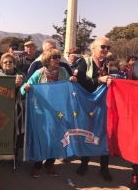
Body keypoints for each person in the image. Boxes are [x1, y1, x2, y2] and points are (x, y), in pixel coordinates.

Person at [20, 48, 77, 178]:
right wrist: (26, 88)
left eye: (58, 57)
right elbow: (23, 90)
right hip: (42, 112)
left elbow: (70, 88)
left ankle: (49, 164)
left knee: (56, 138)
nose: (58, 59)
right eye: (54, 57)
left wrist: (73, 81)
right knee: (43, 138)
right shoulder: (38, 73)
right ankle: (38, 165)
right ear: (47, 60)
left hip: (59, 112)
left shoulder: (63, 72)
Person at [76, 37, 113, 182]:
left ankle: (104, 167)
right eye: (103, 47)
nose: (105, 50)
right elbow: (80, 82)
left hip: (106, 105)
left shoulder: (111, 64)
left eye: (108, 48)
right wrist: (99, 80)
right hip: (89, 105)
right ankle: (84, 164)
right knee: (88, 133)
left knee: (106, 134)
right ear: (94, 48)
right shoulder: (84, 62)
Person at [0, 53, 27, 165]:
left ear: (14, 63)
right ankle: (0, 154)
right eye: (5, 62)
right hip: (3, 108)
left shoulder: (22, 75)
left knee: (16, 132)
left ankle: (14, 155)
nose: (8, 64)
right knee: (2, 131)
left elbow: (25, 92)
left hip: (18, 108)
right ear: (2, 64)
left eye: (10, 62)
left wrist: (20, 88)